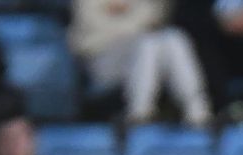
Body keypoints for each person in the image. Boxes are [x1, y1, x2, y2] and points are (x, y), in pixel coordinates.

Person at [70, 0, 212, 127]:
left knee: (174, 37)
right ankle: (139, 116)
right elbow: (93, 23)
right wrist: (138, 23)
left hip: (144, 54)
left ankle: (198, 114)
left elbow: (157, 13)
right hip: (100, 59)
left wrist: (124, 17)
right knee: (148, 43)